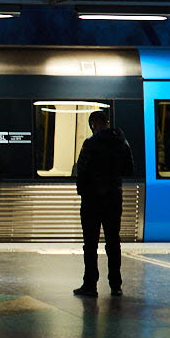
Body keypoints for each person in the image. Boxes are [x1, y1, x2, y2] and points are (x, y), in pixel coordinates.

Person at [70, 109, 133, 298]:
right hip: (114, 198)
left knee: (90, 244)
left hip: (92, 200)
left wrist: (83, 191)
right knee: (113, 242)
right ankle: (116, 285)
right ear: (107, 122)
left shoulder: (90, 144)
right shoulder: (122, 142)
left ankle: (90, 285)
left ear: (93, 125)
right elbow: (129, 170)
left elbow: (81, 170)